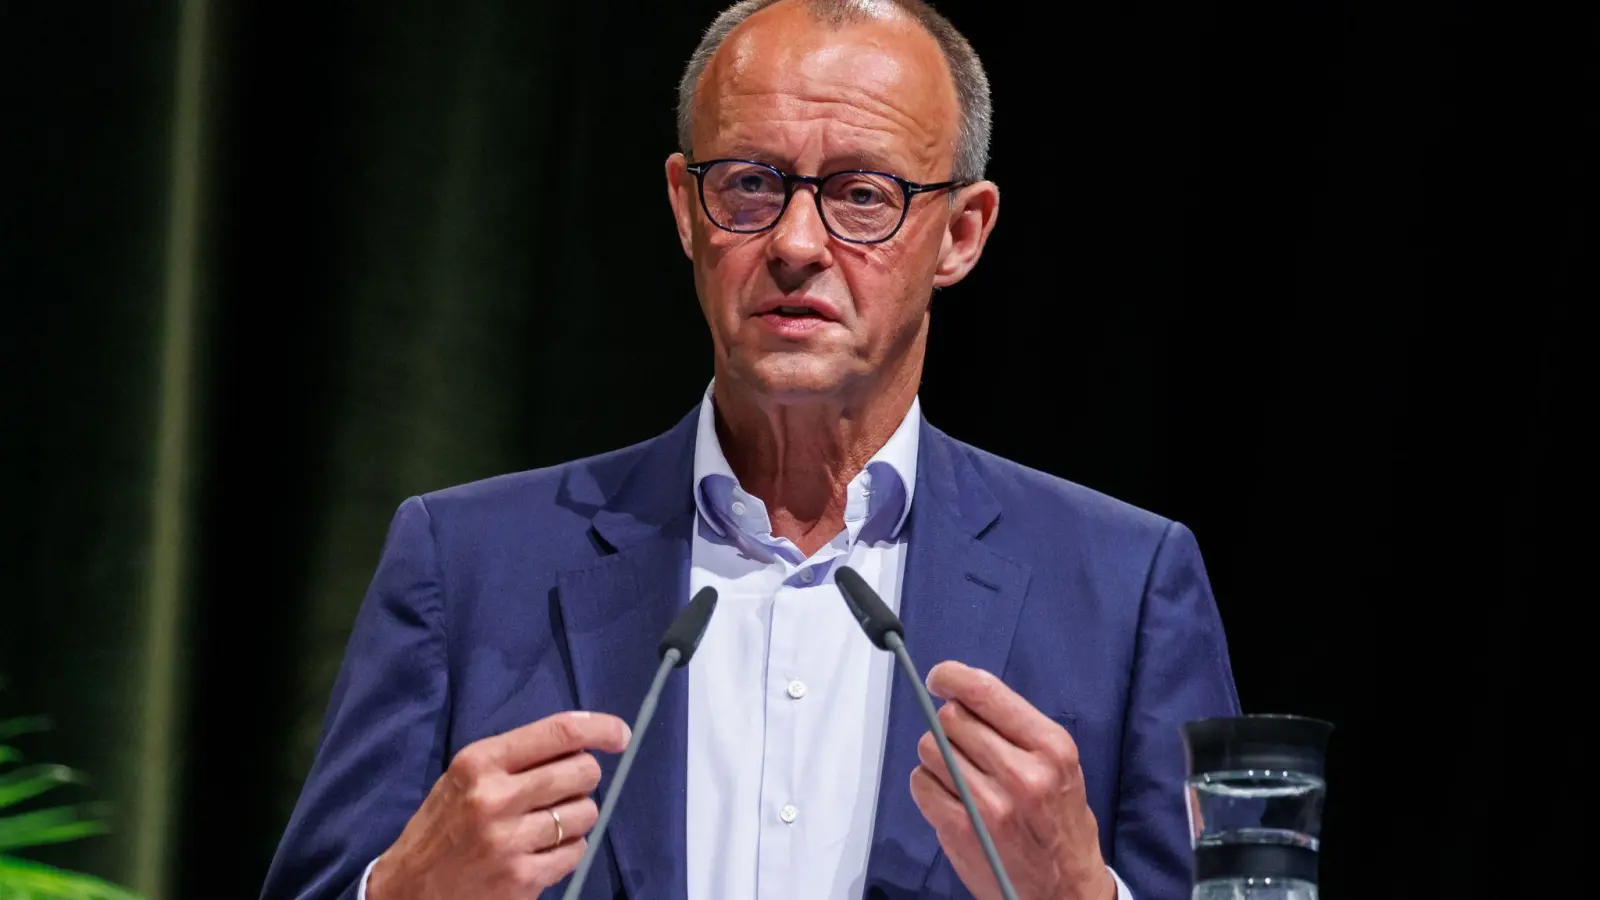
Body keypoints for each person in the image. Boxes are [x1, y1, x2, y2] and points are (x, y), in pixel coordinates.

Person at [259, 1, 1240, 898]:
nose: (796, 242)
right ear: (686, 207)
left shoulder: (1124, 587)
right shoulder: (466, 562)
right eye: (750, 184)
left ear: (962, 232)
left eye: (862, 194)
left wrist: (1081, 894)